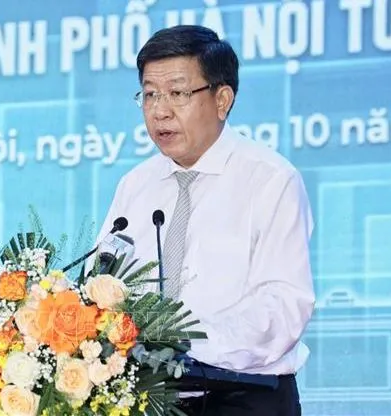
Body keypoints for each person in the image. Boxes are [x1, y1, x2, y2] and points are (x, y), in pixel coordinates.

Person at [95, 25, 316, 415]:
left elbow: (282, 307)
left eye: (178, 93)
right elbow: (103, 282)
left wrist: (182, 344)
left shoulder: (270, 180)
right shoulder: (136, 185)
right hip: (150, 397)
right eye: (150, 94)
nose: (160, 110)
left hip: (244, 397)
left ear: (222, 100)